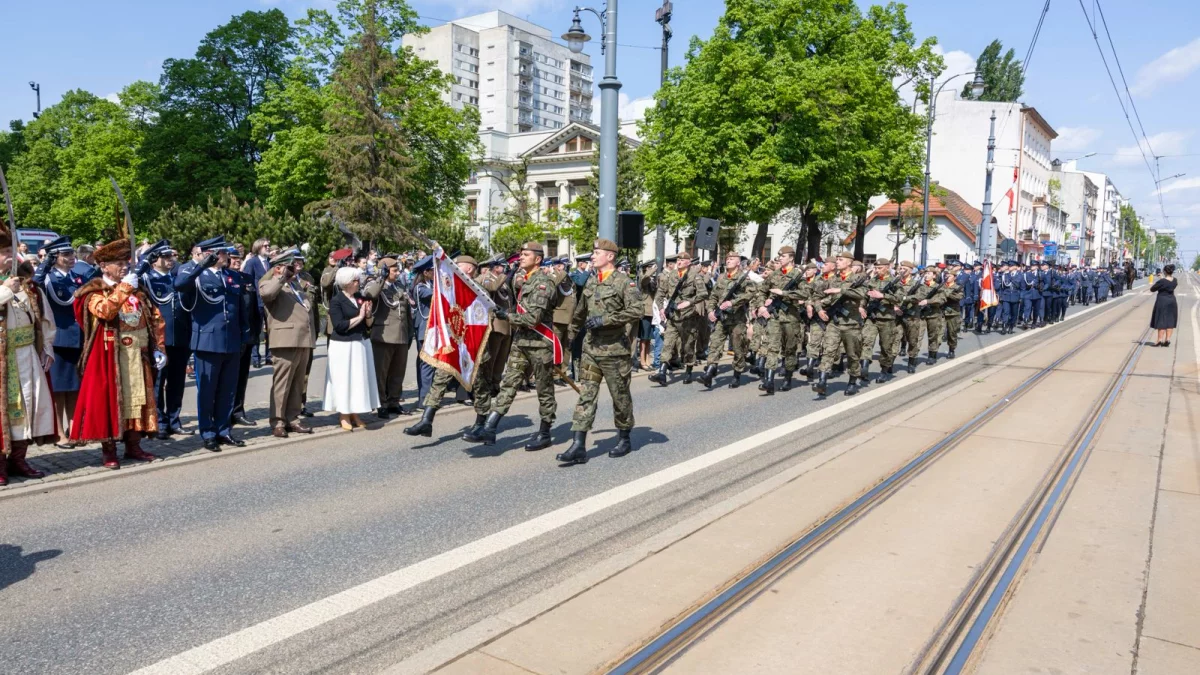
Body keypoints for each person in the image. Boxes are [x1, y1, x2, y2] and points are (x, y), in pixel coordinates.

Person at [71, 236, 165, 469]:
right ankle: (109, 450)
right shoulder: (94, 291)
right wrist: (123, 289)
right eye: (119, 264)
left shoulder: (137, 290)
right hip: (110, 357)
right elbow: (105, 311)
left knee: (138, 399)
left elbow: (154, 318)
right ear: (104, 266)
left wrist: (158, 347)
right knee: (110, 402)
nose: (125, 268)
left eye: (126, 263)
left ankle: (133, 445)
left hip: (139, 354)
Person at [556, 238, 643, 464]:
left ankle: (624, 438)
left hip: (615, 352)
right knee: (586, 395)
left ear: (610, 256)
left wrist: (606, 320)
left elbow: (637, 310)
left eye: (596, 253)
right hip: (591, 350)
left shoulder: (624, 282)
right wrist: (570, 336)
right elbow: (580, 312)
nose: (592, 257)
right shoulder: (592, 281)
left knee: (620, 396)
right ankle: (578, 445)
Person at [465, 242, 560, 447]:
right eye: (521, 254)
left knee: (544, 390)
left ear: (537, 259)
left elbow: (533, 318)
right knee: (508, 384)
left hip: (539, 344)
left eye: (526, 255)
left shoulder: (543, 283)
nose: (521, 257)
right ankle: (489, 428)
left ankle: (545, 432)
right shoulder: (526, 280)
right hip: (521, 342)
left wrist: (507, 317)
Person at [175, 236, 249, 451]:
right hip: (207, 341)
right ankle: (208, 433)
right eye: (223, 252)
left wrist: (244, 334)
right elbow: (179, 285)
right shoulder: (196, 275)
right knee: (207, 390)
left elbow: (240, 308)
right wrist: (201, 265)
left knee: (228, 390)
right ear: (211, 254)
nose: (227, 256)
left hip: (231, 340)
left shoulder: (232, 276)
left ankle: (223, 430)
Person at [0, 236, 57, 485]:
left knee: (29, 404)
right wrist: (5, 291)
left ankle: (19, 459)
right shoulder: (8, 286)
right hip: (2, 357)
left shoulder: (28, 285)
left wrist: (46, 347)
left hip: (26, 353)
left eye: (10, 250)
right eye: (4, 251)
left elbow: (44, 317)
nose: (9, 255)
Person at [33, 236, 86, 448]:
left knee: (74, 387)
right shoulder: (48, 278)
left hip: (77, 338)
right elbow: (34, 284)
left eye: (72, 253)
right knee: (57, 389)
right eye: (66, 254)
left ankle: (74, 428)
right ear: (55, 257)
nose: (71, 257)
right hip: (58, 339)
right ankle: (59, 433)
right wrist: (46, 263)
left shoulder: (77, 277)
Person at [259, 249, 317, 438]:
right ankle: (277, 421)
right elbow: (267, 294)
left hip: (302, 339)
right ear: (278, 268)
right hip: (285, 340)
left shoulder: (295, 285)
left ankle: (293, 418)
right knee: (282, 384)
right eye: (289, 266)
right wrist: (282, 277)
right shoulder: (269, 282)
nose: (294, 269)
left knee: (297, 383)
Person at [141, 241, 193, 439]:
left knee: (177, 382)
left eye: (171, 256)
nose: (170, 260)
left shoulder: (177, 278)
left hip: (179, 336)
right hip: (159, 339)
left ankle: (174, 420)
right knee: (158, 382)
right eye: (165, 257)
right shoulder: (147, 279)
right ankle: (160, 422)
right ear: (155, 260)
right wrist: (145, 261)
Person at [324, 266, 379, 430]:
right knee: (344, 380)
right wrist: (360, 316)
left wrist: (367, 315)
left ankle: (355, 411)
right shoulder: (336, 301)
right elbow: (339, 326)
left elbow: (368, 324)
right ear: (347, 282)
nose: (358, 283)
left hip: (361, 342)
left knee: (358, 379)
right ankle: (344, 413)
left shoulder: (360, 297)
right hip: (343, 346)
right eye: (355, 280)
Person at [363, 257, 412, 419]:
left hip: (401, 335)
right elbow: (369, 295)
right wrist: (381, 278)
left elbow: (406, 312)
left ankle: (393, 402)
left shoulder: (399, 286)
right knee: (381, 373)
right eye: (394, 270)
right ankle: (381, 404)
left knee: (398, 372)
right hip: (383, 336)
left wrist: (409, 333)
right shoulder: (376, 285)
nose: (397, 273)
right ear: (385, 271)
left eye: (398, 270)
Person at [649, 251, 707, 385]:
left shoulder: (695, 276)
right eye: (678, 260)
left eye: (682, 260)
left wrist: (689, 302)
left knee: (688, 346)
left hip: (689, 317)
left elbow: (703, 293)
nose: (679, 262)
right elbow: (660, 293)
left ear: (688, 262)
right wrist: (661, 308)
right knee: (667, 344)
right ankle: (662, 373)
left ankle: (689, 370)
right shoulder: (671, 275)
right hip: (673, 316)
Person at [698, 252, 753, 389]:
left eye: (732, 259)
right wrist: (710, 311)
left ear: (738, 263)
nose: (728, 260)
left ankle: (737, 375)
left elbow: (750, 294)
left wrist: (732, 302)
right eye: (727, 258)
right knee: (715, 345)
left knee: (738, 348)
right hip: (721, 318)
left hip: (737, 320)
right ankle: (709, 373)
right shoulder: (721, 277)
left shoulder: (744, 278)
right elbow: (713, 296)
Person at [227, 247, 259, 428]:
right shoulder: (225, 278)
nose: (237, 260)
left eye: (238, 257)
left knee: (242, 376)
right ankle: (225, 413)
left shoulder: (247, 278)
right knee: (228, 377)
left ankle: (238, 411)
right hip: (231, 336)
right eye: (233, 258)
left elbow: (254, 307)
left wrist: (255, 333)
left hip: (247, 335)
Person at [242, 238, 273, 368]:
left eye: (269, 245)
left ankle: (269, 356)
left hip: (270, 302)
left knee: (271, 330)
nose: (268, 247)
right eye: (265, 246)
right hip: (257, 302)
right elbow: (247, 280)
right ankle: (255, 357)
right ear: (258, 247)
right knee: (256, 330)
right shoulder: (252, 262)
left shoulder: (271, 262)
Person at [1149, 264, 1178, 347]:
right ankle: (1167, 339)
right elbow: (1169, 285)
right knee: (1170, 320)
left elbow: (1152, 289)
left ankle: (1159, 340)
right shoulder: (1175, 280)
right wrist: (1163, 279)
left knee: (1162, 320)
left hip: (1162, 301)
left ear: (1164, 271)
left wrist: (1161, 279)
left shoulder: (1162, 281)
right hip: (1172, 301)